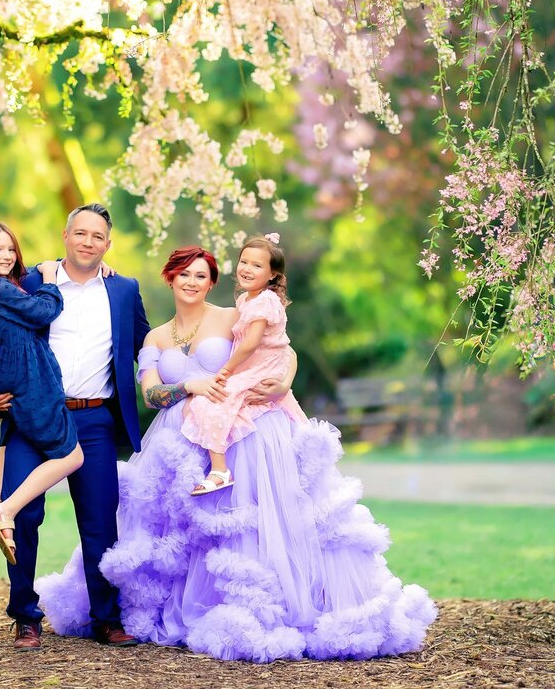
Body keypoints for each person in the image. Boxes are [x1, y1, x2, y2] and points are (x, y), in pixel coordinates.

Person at [38, 245, 437, 662]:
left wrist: (284, 382)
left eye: (201, 275)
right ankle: (182, 608)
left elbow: (283, 349)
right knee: (179, 530)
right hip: (176, 440)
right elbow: (152, 395)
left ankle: (254, 609)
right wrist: (188, 386)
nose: (191, 282)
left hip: (239, 432)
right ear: (170, 278)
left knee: (240, 523)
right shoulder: (155, 337)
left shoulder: (233, 317)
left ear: (212, 282)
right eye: (183, 274)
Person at [0, 204, 150, 652]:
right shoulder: (31, 281)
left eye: (98, 236)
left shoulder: (124, 290)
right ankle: (25, 618)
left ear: (108, 244)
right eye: (80, 233)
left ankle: (106, 619)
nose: (88, 242)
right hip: (31, 416)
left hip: (95, 419)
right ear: (65, 236)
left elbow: (147, 346)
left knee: (100, 522)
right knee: (24, 515)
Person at [0, 222, 84, 565]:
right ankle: (6, 509)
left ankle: (1, 502)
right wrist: (50, 279)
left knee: (9, 429)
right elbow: (45, 311)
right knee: (73, 457)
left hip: (12, 384)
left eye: (11, 249)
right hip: (31, 385)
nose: (6, 255)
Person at [182, 234, 308, 495]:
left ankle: (220, 471)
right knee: (206, 402)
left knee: (214, 400)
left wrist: (226, 370)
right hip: (253, 366)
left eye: (257, 265)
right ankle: (215, 465)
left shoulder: (265, 301)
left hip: (264, 368)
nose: (247, 269)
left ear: (273, 274)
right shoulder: (245, 300)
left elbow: (250, 344)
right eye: (244, 262)